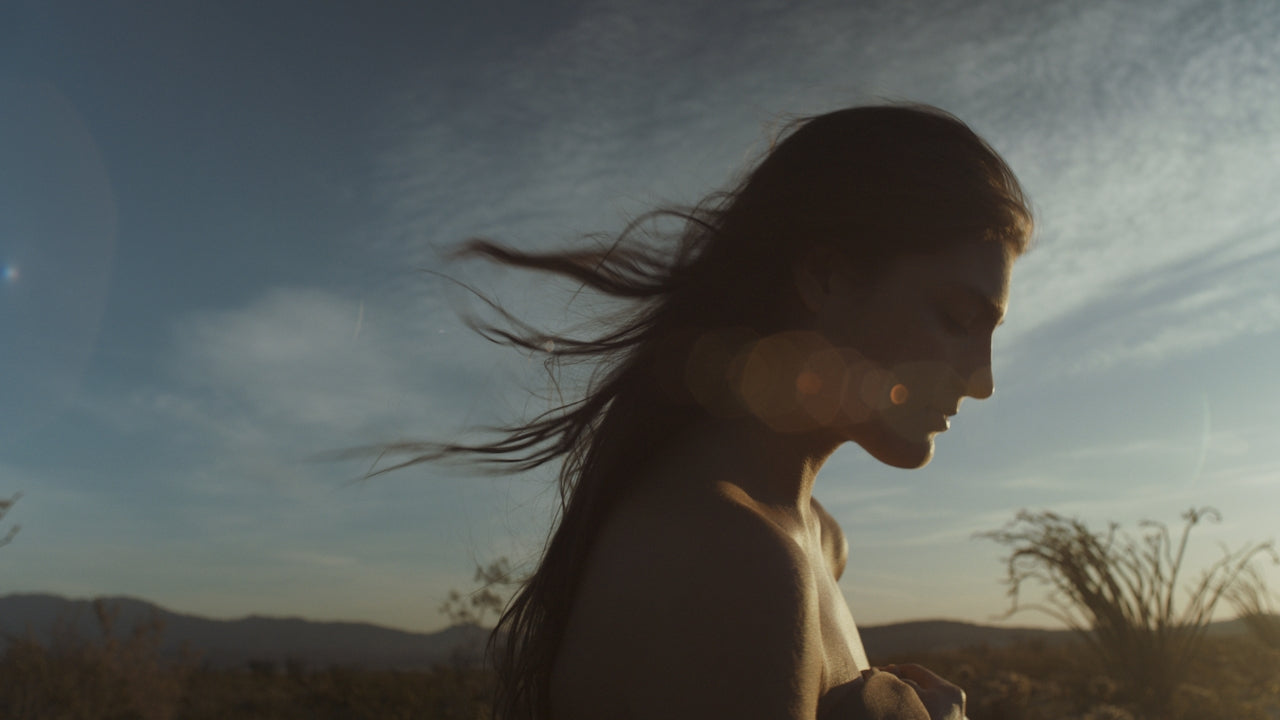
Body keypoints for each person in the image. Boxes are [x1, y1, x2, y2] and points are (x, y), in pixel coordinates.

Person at [376, 104, 1033, 719]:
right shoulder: (732, 555)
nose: (984, 381)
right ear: (826, 278)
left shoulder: (816, 542)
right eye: (957, 318)